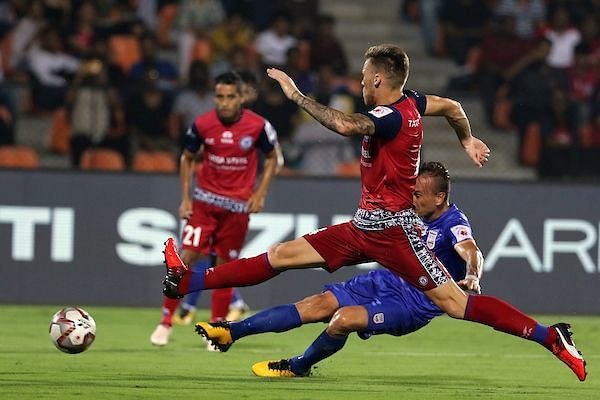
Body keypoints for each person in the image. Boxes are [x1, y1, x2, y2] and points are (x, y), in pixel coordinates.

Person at [161, 44, 587, 381]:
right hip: (363, 227)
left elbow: (346, 125)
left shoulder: (389, 116)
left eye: (364, 78)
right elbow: (454, 107)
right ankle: (187, 283)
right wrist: (467, 140)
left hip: (396, 234)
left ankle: (552, 338)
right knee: (283, 255)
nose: (361, 84)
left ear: (379, 79)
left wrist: (296, 96)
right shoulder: (416, 102)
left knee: (457, 305)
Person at [195, 161, 484, 377]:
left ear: (439, 198)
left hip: (416, 303)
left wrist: (471, 275)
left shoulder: (453, 222)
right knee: (316, 305)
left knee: (342, 319)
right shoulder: (410, 210)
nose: (412, 199)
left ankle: (299, 366)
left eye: (419, 194)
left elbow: (471, 250)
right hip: (386, 280)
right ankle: (231, 332)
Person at [150, 71, 283, 347]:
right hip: (204, 204)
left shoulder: (258, 126)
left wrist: (260, 193)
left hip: (237, 209)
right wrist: (185, 198)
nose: (224, 103)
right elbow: (186, 158)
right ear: (214, 97)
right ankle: (165, 323)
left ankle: (216, 329)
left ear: (241, 98)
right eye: (220, 97)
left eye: (231, 97)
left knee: (225, 268)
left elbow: (274, 158)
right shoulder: (202, 125)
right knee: (184, 260)